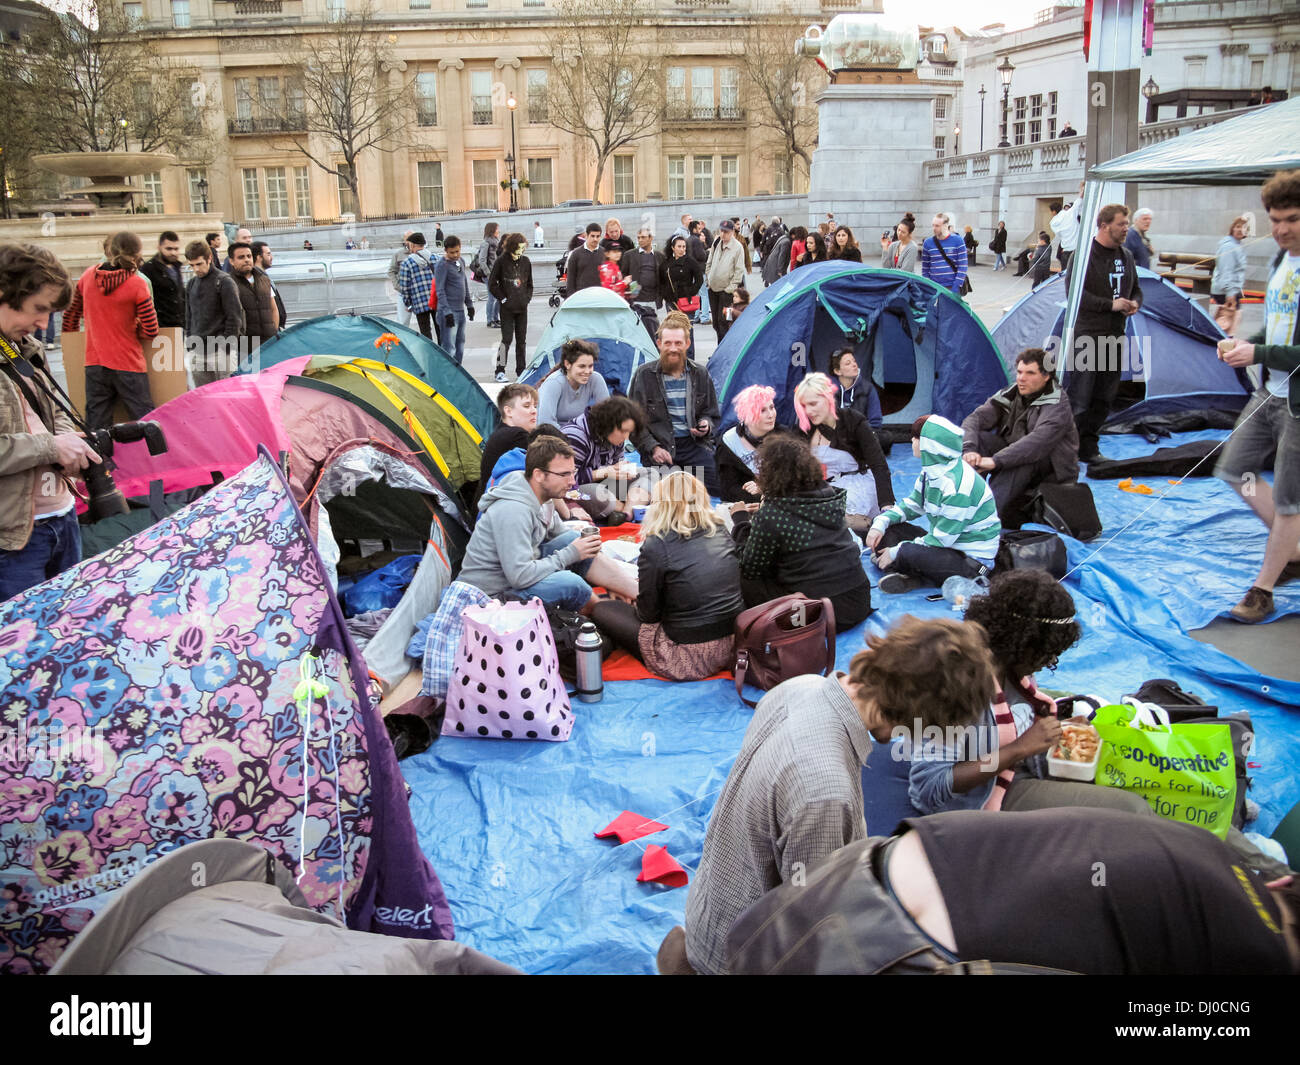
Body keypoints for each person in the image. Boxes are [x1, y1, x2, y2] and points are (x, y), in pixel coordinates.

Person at [665, 615, 998, 976]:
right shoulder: (825, 790)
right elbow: (813, 930)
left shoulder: (802, 688)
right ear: (920, 716)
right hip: (739, 956)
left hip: (709, 915)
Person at [722, 807, 1300, 975]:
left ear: (1281, 880)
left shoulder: (1213, 851)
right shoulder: (1266, 955)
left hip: (868, 862)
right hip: (906, 952)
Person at [908, 569, 1154, 818]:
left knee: (1127, 776)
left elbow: (1013, 723)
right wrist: (1019, 749)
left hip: (1016, 769)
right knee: (1132, 810)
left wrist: (1059, 728)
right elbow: (930, 786)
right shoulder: (955, 689)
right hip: (980, 798)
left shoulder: (1010, 668)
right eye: (1047, 652)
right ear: (1020, 641)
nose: (1051, 661)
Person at [1215, 169, 1300, 623]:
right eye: (1275, 219)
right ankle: (1291, 549)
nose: (1282, 229)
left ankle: (1263, 588)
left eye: (1292, 219)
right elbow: (1279, 325)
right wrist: (1244, 346)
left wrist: (1259, 350)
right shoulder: (1281, 262)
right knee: (1235, 470)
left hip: (1297, 406)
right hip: (1270, 391)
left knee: (1290, 500)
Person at [0, 243, 103, 601]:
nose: (44, 325)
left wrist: (66, 440)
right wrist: (53, 445)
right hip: (13, 540)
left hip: (63, 516)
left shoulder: (23, 347)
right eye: (39, 310)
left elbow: (54, 412)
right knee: (19, 650)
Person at [591, 471, 743, 682]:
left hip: (685, 655)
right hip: (731, 644)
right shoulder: (720, 530)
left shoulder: (658, 543)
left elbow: (648, 615)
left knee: (603, 609)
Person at [459, 435, 636, 612]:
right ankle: (610, 618)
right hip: (488, 597)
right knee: (569, 583)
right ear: (539, 475)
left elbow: (564, 537)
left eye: (572, 473)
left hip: (515, 576)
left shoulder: (543, 498)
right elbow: (520, 576)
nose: (572, 482)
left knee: (575, 538)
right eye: (564, 474)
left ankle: (639, 594)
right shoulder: (513, 511)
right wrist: (571, 554)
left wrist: (608, 579)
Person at [733, 433, 873, 630]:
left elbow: (751, 567)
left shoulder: (774, 515)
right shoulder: (830, 496)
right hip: (858, 601)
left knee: (742, 574)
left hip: (817, 614)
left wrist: (740, 521)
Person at [866, 415, 1001, 593]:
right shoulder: (931, 473)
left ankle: (908, 572)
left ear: (929, 445)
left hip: (968, 561)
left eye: (916, 438)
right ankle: (911, 575)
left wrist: (897, 550)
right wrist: (881, 523)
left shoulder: (958, 485)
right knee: (888, 529)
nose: (911, 441)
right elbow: (912, 505)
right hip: (947, 548)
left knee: (906, 551)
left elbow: (942, 539)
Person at [960, 347, 1079, 527]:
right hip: (1015, 455)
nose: (1021, 378)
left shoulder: (1057, 403)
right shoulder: (1011, 393)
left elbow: (1037, 444)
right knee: (980, 440)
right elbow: (974, 419)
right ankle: (964, 507)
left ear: (1046, 376)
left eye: (1030, 373)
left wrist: (995, 461)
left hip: (1050, 470)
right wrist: (969, 450)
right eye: (1019, 372)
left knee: (1021, 460)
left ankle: (984, 522)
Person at [60, 231, 157, 431]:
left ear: (108, 250)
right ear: (136, 254)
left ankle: (99, 461)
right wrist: (135, 328)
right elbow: (151, 329)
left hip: (94, 362)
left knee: (96, 425)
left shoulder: (87, 277)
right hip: (129, 363)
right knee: (144, 420)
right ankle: (152, 461)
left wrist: (70, 345)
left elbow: (70, 316)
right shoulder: (137, 283)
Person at [1070, 203, 1143, 463]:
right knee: (1081, 396)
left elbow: (1136, 289)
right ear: (1104, 225)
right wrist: (1109, 305)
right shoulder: (1083, 256)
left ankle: (1089, 448)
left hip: (1115, 335)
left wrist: (1135, 303)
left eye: (1127, 223)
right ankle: (1068, 449)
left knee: (1104, 396)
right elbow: (1075, 294)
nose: (1126, 228)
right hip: (1087, 336)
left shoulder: (1126, 256)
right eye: (1121, 223)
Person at [628, 311, 721, 496]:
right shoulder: (644, 375)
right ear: (659, 344)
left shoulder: (700, 374)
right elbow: (632, 423)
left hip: (694, 447)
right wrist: (653, 448)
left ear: (687, 344)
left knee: (720, 487)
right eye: (668, 343)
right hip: (661, 449)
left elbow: (712, 414)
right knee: (667, 495)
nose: (673, 348)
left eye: (678, 343)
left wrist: (705, 425)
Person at [794, 372, 893, 531]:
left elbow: (878, 464)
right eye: (804, 406)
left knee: (825, 520)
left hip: (856, 487)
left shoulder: (853, 420)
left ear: (827, 398)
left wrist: (886, 505)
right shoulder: (806, 428)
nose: (809, 411)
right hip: (823, 489)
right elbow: (793, 467)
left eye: (813, 404)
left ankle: (863, 523)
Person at [560, 395, 649, 513]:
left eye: (629, 432)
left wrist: (622, 469)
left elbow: (617, 463)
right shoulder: (575, 436)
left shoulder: (614, 437)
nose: (626, 437)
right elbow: (564, 480)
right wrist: (602, 472)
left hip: (605, 483)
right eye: (623, 431)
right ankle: (626, 510)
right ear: (608, 424)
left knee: (648, 473)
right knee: (601, 496)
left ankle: (627, 513)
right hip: (576, 489)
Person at [183, 239, 244, 386]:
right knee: (203, 400)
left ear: (209, 258)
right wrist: (191, 343)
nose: (196, 269)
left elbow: (234, 317)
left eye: (199, 264)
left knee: (227, 397)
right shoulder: (191, 284)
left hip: (220, 351)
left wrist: (225, 347)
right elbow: (189, 317)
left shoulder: (224, 281)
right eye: (192, 265)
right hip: (198, 351)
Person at [717, 384, 788, 504]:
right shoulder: (730, 441)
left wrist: (764, 489)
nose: (771, 415)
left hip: (779, 504)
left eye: (772, 407)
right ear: (748, 415)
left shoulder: (785, 436)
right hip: (745, 505)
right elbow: (728, 489)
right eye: (762, 410)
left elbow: (795, 480)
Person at [475, 383, 538, 511]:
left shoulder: (501, 432)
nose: (534, 411)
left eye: (535, 406)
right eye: (527, 406)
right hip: (497, 512)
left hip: (484, 508)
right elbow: (540, 478)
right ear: (508, 411)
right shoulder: (517, 436)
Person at [489, 232, 533, 381]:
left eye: (523, 248)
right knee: (506, 340)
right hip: (507, 309)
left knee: (522, 341)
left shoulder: (526, 261)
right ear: (512, 247)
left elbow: (529, 284)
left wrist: (526, 298)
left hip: (522, 308)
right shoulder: (501, 261)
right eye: (519, 248)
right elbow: (492, 284)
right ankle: (499, 370)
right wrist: (503, 300)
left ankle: (521, 370)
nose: (521, 251)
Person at [536, 339, 609, 427]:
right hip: (554, 435)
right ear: (567, 364)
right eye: (582, 366)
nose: (587, 371)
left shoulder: (595, 378)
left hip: (578, 432)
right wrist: (573, 435)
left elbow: (607, 414)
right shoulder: (554, 383)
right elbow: (545, 422)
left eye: (590, 366)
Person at [227, 241, 279, 345]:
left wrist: (274, 331)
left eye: (249, 256)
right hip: (244, 345)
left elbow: (274, 309)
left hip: (268, 341)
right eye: (241, 257)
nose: (246, 260)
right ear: (232, 261)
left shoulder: (264, 279)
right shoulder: (227, 283)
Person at [433, 235, 475, 366]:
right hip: (448, 312)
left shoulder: (460, 261)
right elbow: (439, 290)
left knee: (460, 346)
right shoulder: (442, 265)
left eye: (457, 251)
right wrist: (447, 312)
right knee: (449, 348)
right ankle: (447, 376)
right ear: (446, 250)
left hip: (460, 310)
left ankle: (458, 374)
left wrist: (469, 305)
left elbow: (464, 283)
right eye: (452, 252)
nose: (455, 254)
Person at [704, 219, 745, 343]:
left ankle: (724, 351)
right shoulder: (716, 242)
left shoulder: (738, 248)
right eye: (721, 231)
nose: (723, 234)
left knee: (724, 323)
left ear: (732, 232)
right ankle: (719, 348)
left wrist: (730, 289)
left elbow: (739, 271)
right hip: (713, 289)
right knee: (716, 323)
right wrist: (708, 278)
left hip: (726, 292)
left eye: (726, 232)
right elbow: (709, 261)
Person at [621, 226, 665, 342]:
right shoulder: (629, 255)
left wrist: (659, 297)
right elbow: (624, 274)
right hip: (636, 298)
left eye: (643, 237)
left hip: (653, 299)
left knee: (653, 329)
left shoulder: (659, 256)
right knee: (636, 330)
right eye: (638, 237)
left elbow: (662, 277)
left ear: (651, 238)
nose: (640, 240)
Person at [1211, 216, 1250, 337]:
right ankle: (1222, 350)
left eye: (1243, 228)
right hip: (1226, 291)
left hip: (1230, 289)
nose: (1240, 230)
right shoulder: (1229, 246)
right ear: (1232, 229)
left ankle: (1223, 349)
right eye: (1237, 226)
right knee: (1226, 326)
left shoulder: (1236, 245)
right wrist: (1230, 293)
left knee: (1227, 325)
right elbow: (1226, 270)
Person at [138, 231, 185, 329]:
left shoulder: (176, 267)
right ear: (159, 247)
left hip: (178, 325)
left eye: (176, 249)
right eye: (169, 249)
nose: (173, 252)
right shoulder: (148, 269)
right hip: (160, 327)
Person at [397, 232, 437, 342]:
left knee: (425, 333)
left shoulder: (407, 263)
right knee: (441, 331)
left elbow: (404, 287)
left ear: (413, 245)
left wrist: (408, 304)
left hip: (419, 303)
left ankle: (430, 356)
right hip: (437, 300)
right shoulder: (436, 258)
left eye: (409, 244)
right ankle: (443, 356)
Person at [830, 348, 882, 431]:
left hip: (861, 435)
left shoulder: (868, 389)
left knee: (887, 438)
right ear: (837, 371)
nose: (854, 365)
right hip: (836, 436)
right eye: (848, 363)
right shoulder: (828, 390)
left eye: (854, 361)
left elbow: (875, 422)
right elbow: (826, 422)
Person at [662, 235, 704, 330]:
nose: (682, 249)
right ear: (673, 247)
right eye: (679, 246)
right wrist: (665, 294)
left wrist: (690, 291)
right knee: (673, 330)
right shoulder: (666, 263)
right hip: (671, 301)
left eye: (684, 246)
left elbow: (699, 279)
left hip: (687, 300)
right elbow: (662, 280)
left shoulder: (690, 261)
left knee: (688, 330)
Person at [921, 213, 968, 295]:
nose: (934, 228)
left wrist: (956, 286)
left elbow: (963, 265)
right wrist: (928, 285)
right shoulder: (927, 243)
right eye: (933, 225)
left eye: (937, 226)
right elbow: (925, 268)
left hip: (952, 285)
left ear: (946, 226)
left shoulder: (958, 241)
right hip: (934, 286)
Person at [251, 242, 286, 330]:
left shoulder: (264, 277)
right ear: (259, 257)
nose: (272, 257)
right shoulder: (256, 279)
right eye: (268, 254)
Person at [1051, 184, 1084, 272]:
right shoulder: (1070, 213)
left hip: (1066, 250)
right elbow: (1078, 202)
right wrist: (1082, 191)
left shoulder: (1053, 222)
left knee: (1066, 276)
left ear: (1053, 212)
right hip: (1076, 249)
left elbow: (1059, 234)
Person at [565, 223, 604, 294]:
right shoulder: (575, 254)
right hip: (581, 296)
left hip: (600, 296)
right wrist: (571, 298)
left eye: (598, 236)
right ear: (586, 235)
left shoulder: (605, 253)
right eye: (592, 236)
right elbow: (570, 279)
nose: (595, 239)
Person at [387, 231, 414, 327]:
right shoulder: (398, 254)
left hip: (417, 292)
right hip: (403, 292)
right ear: (404, 240)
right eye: (408, 238)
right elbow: (391, 271)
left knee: (423, 320)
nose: (410, 241)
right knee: (403, 321)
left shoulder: (419, 253)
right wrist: (397, 286)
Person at [687, 221, 711, 324]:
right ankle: (705, 317)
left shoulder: (687, 240)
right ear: (694, 229)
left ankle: (696, 316)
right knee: (704, 294)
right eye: (698, 228)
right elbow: (701, 256)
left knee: (696, 295)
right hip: (699, 270)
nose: (700, 230)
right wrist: (707, 252)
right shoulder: (697, 241)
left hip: (691, 270)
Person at [479, 222, 502, 328]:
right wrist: (489, 274)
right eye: (497, 229)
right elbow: (482, 260)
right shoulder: (486, 243)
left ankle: (496, 318)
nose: (499, 230)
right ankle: (490, 320)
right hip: (489, 275)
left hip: (496, 274)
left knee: (498, 297)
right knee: (492, 297)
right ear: (492, 230)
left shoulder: (496, 242)